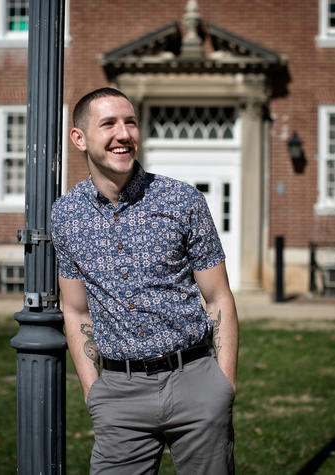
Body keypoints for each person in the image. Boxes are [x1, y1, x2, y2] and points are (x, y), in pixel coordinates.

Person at [51, 87, 239, 474]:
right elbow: (74, 309)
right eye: (109, 124)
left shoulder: (182, 201)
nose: (124, 134)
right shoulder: (66, 215)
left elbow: (218, 297)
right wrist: (93, 391)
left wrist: (224, 386)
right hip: (119, 394)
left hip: (196, 383)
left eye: (130, 122)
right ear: (79, 138)